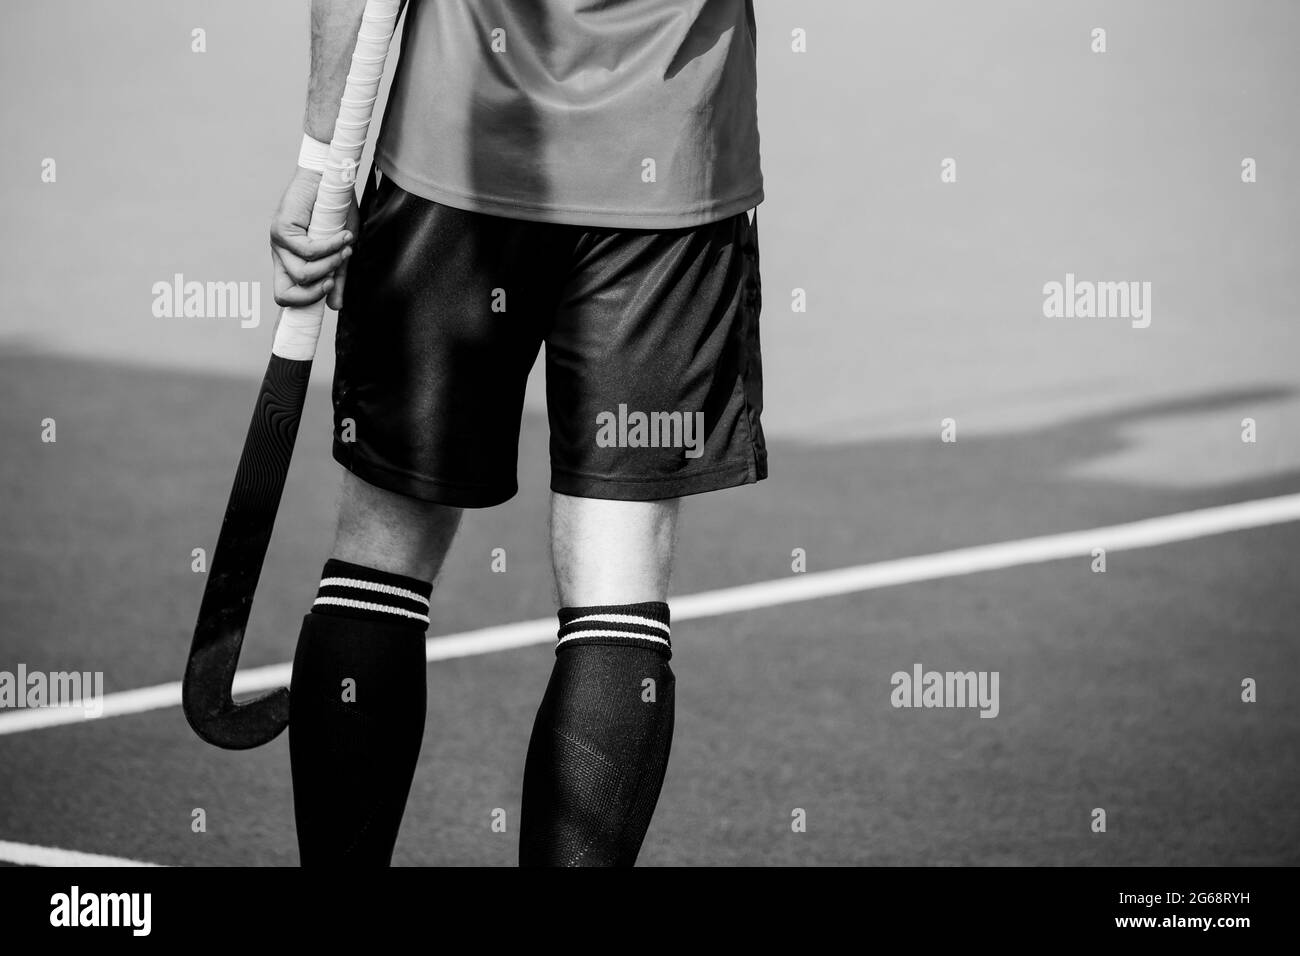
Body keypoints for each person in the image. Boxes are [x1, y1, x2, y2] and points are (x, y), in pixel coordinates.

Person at [269, 0, 765, 866]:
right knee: (619, 583)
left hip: (450, 163)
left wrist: (321, 159)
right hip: (668, 179)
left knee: (381, 549)